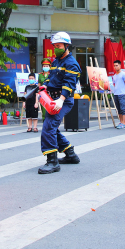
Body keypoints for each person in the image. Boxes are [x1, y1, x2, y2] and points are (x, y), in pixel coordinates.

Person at [39, 32, 81, 174]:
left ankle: (52, 162)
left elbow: (69, 84)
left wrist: (61, 100)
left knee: (49, 127)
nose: (56, 48)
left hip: (63, 100)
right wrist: (44, 85)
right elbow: (50, 78)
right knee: (52, 128)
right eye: (54, 46)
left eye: (58, 46)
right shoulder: (56, 61)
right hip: (52, 99)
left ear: (66, 45)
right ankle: (70, 155)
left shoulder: (71, 63)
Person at [112, 60, 125, 129]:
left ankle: (124, 123)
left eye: (117, 65)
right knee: (118, 109)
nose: (115, 67)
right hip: (116, 93)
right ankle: (121, 122)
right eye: (114, 66)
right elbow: (114, 84)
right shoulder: (114, 76)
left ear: (120, 66)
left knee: (123, 108)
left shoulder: (123, 74)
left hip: (122, 93)